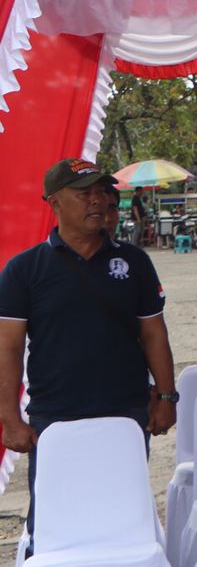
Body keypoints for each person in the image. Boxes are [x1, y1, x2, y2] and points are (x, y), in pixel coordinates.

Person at [0, 159, 178, 543]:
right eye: (84, 194)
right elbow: (8, 349)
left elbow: (154, 334)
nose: (96, 201)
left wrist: (166, 395)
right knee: (55, 521)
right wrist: (10, 419)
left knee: (124, 517)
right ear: (55, 203)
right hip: (55, 416)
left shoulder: (134, 262)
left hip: (127, 412)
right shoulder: (23, 270)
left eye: (101, 192)